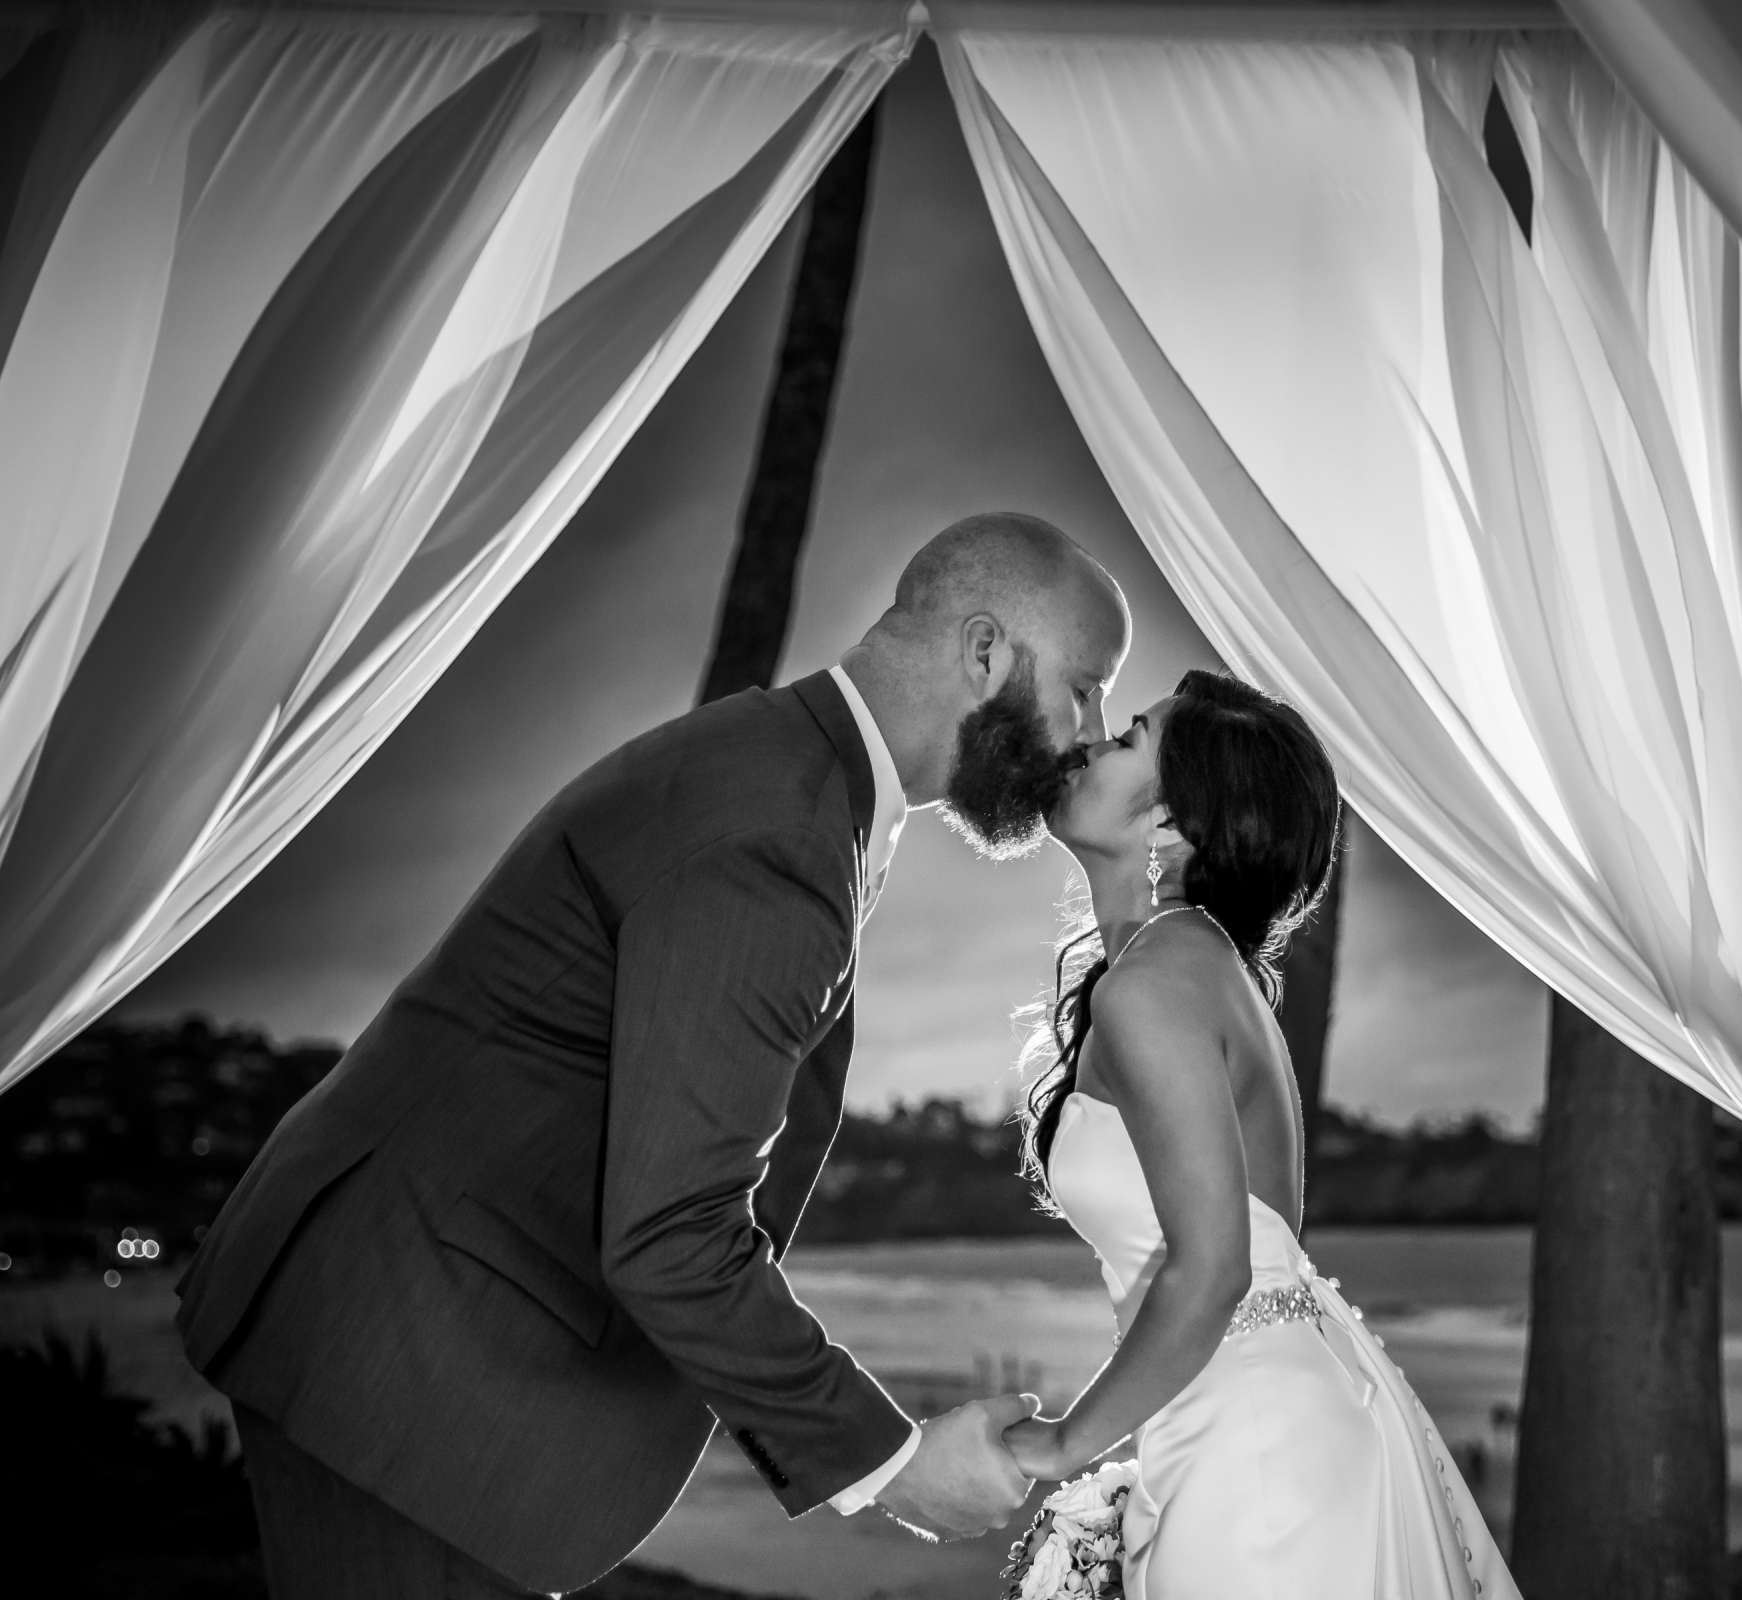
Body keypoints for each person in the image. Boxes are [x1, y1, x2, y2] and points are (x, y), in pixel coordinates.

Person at [174, 512, 1132, 1598]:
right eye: (1086, 688)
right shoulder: (779, 829)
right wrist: (897, 1464)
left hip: (406, 1324)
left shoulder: (792, 775)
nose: (1093, 732)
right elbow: (674, 1232)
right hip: (410, 1356)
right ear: (984, 653)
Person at [1002, 670, 1522, 1598]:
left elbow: (1214, 1270)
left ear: (1173, 823)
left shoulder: (1162, 982)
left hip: (1257, 1457)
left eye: (1127, 740)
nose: (1087, 744)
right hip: (1265, 1416)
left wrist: (1066, 1443)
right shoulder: (1194, 970)